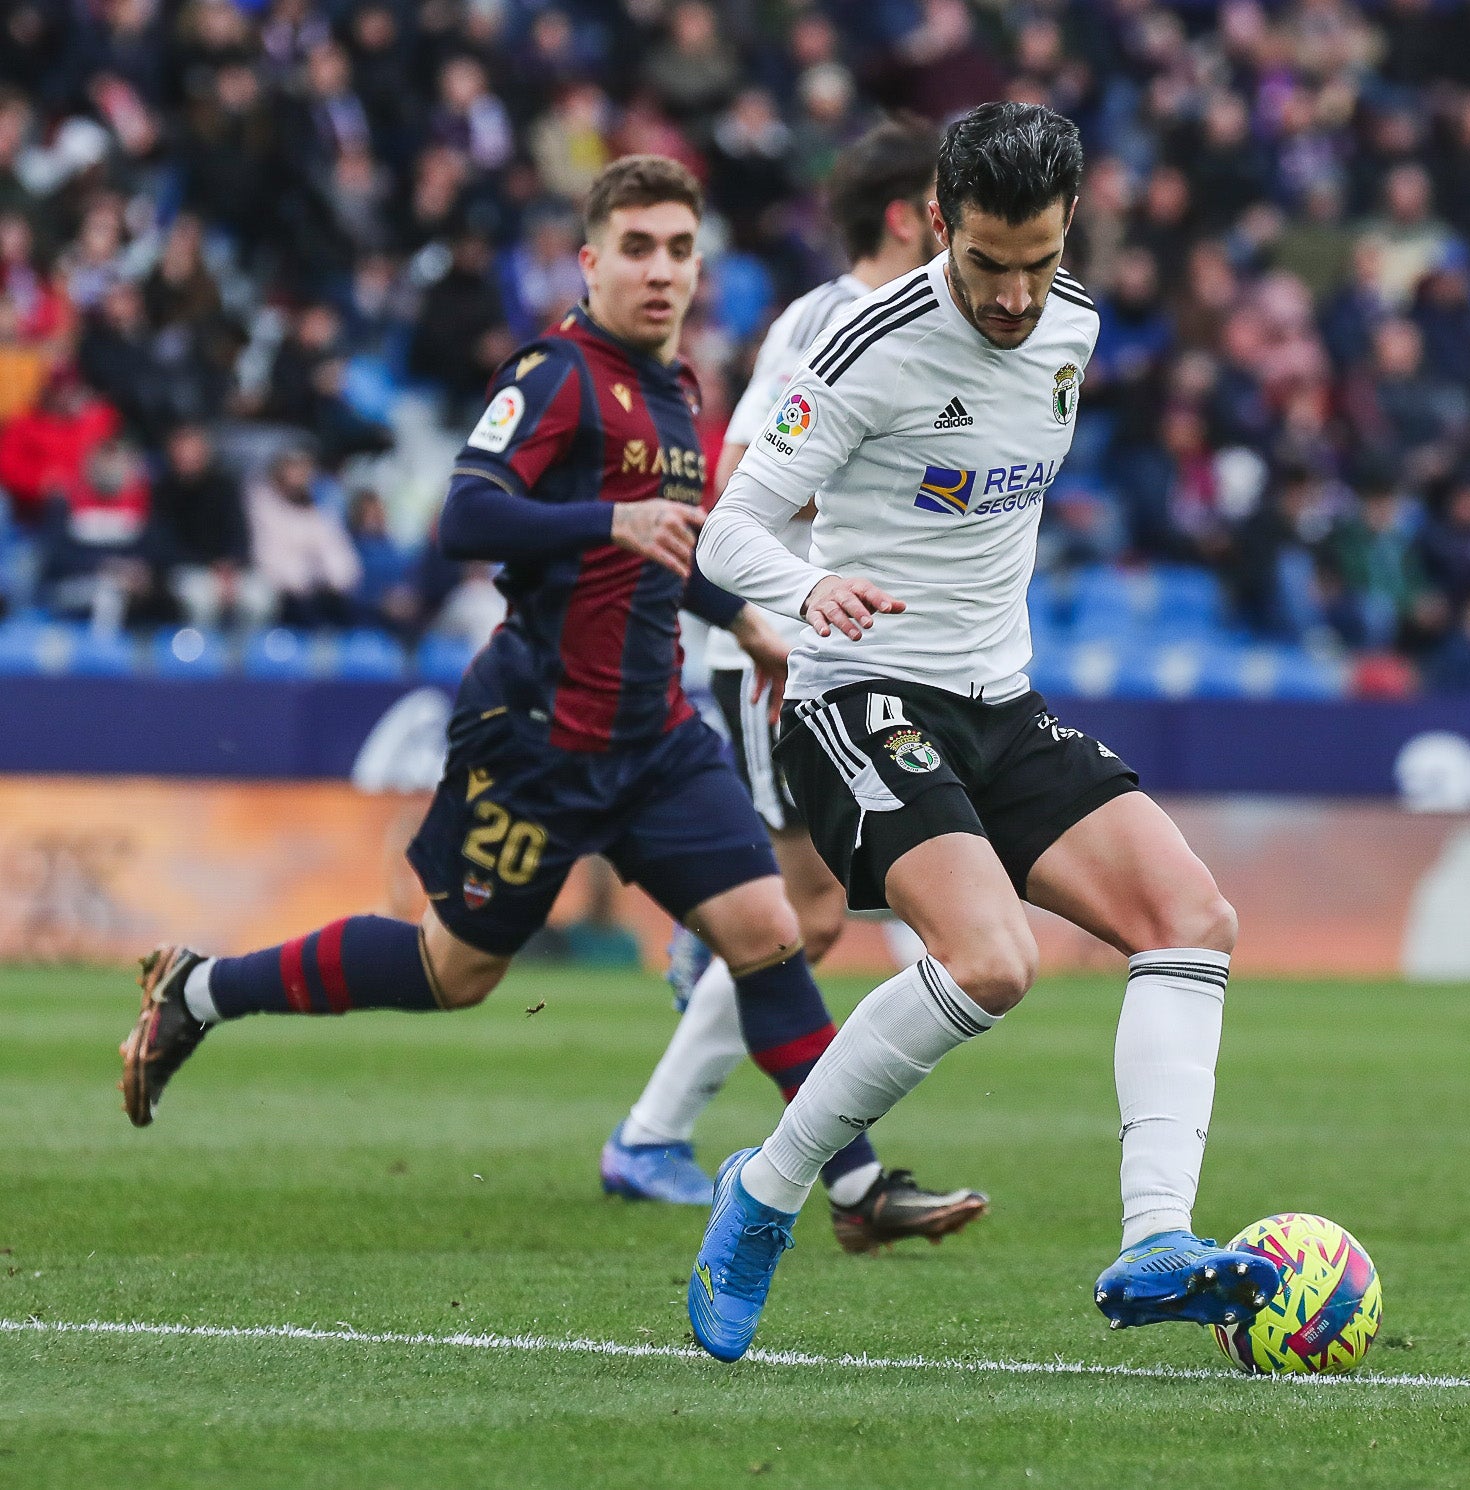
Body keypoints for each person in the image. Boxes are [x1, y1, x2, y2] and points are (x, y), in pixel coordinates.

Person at [116, 155, 983, 1258]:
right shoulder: (557, 374)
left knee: (770, 933)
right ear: (590, 261)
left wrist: (747, 619)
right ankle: (204, 987)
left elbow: (667, 540)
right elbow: (467, 519)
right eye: (637, 247)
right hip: (538, 737)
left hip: (656, 734)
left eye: (679, 248)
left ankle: (855, 1185)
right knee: (454, 969)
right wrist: (603, 525)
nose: (660, 270)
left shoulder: (678, 391)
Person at [684, 102, 1278, 1363]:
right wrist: (804, 593)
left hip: (998, 703)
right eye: (987, 261)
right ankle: (769, 1190)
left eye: (1039, 260)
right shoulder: (860, 346)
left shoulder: (1075, 326)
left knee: (1193, 921)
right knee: (993, 960)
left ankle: (1156, 1239)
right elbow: (732, 526)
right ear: (938, 223)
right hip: (858, 696)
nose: (1013, 294)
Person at [599, 120, 950, 1222]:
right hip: (771, 648)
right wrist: (784, 601)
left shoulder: (913, 325)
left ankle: (672, 1105)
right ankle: (657, 1132)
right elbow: (743, 477)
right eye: (952, 204)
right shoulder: (833, 321)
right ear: (908, 216)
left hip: (840, 651)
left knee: (805, 912)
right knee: (801, 913)